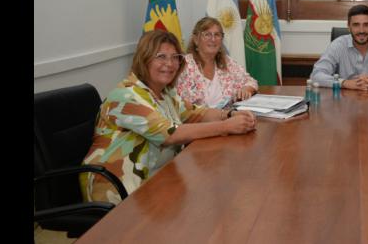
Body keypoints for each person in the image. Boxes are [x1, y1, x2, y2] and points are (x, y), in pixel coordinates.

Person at [80, 30, 257, 204]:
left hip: (155, 178)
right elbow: (169, 134)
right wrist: (227, 127)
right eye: (161, 57)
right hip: (116, 188)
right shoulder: (126, 96)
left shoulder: (165, 93)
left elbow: (197, 113)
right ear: (144, 58)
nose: (170, 64)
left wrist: (230, 114)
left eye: (175, 57)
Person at [176, 17, 258, 108]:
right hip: (198, 120)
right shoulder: (184, 65)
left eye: (217, 35)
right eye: (207, 34)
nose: (213, 39)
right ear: (196, 39)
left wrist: (246, 89)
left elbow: (251, 81)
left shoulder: (226, 62)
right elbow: (178, 103)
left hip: (228, 118)